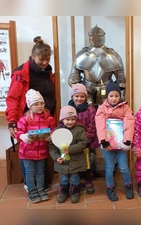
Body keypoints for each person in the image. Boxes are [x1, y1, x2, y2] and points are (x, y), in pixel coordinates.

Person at [6, 36, 56, 191]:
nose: (45, 63)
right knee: (27, 149)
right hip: (28, 119)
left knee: (41, 149)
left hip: (45, 117)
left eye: (48, 59)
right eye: (42, 59)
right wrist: (12, 120)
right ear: (33, 56)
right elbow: (13, 98)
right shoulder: (21, 73)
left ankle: (41, 182)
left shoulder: (48, 72)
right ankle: (29, 183)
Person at [95, 82, 134, 202]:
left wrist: (127, 140)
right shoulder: (102, 108)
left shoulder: (126, 108)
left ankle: (128, 185)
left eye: (116, 95)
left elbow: (129, 124)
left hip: (121, 143)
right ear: (107, 96)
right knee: (110, 167)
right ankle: (110, 188)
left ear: (120, 96)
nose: (114, 98)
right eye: (111, 96)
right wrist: (103, 140)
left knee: (124, 167)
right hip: (108, 144)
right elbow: (100, 125)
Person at [68, 25, 126, 105]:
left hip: (108, 93)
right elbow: (73, 80)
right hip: (86, 92)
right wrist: (82, 90)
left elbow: (121, 83)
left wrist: (118, 99)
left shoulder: (112, 55)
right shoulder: (82, 55)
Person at [16, 89, 56, 203]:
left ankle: (41, 189)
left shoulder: (49, 119)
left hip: (42, 152)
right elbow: (18, 132)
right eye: (36, 104)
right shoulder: (25, 119)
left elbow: (53, 131)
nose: (39, 106)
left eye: (41, 103)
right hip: (27, 153)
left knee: (40, 172)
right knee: (30, 173)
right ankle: (32, 191)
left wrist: (51, 137)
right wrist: (23, 136)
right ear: (30, 105)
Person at [49, 106, 87, 203]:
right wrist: (56, 157)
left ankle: (75, 193)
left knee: (75, 178)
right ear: (62, 119)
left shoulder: (79, 130)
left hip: (76, 161)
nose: (70, 122)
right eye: (67, 119)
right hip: (62, 162)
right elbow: (52, 147)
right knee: (64, 179)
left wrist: (70, 149)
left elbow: (83, 143)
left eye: (72, 119)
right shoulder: (56, 132)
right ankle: (64, 193)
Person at [68, 83, 99, 194]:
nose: (79, 99)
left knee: (88, 163)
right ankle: (76, 181)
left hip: (87, 142)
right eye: (77, 96)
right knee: (75, 161)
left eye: (82, 96)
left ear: (85, 97)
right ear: (72, 96)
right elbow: (65, 123)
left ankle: (88, 181)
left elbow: (92, 125)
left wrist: (86, 139)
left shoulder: (90, 109)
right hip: (73, 143)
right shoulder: (68, 109)